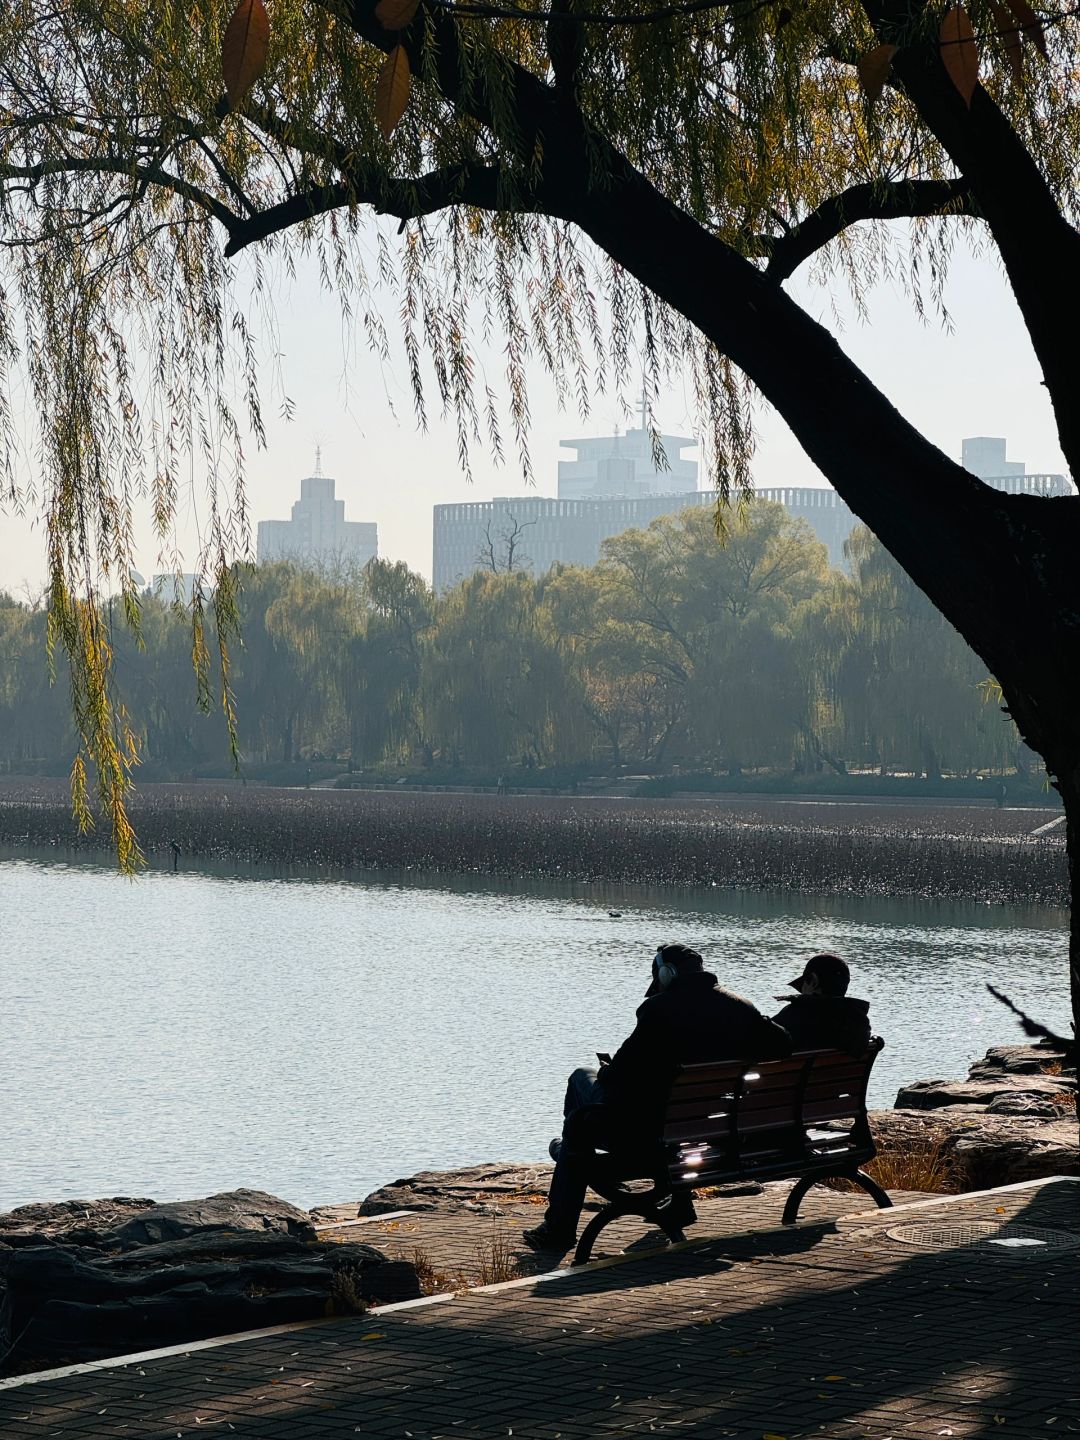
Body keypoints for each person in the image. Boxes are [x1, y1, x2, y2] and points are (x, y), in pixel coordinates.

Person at [522, 943, 792, 1253]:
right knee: (593, 1123)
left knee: (580, 1083)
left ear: (667, 973)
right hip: (699, 1126)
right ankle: (678, 1204)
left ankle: (560, 1222)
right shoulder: (739, 1006)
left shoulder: (658, 1009)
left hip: (646, 1130)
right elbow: (782, 1044)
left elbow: (619, 1076)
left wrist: (607, 1070)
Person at [771, 952, 872, 1056]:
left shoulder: (794, 1015)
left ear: (814, 981)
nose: (802, 991)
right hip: (840, 1071)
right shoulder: (859, 1020)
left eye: (804, 983)